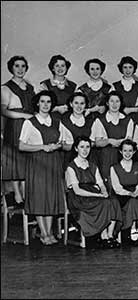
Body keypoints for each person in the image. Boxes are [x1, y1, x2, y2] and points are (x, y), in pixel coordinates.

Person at [19, 90, 73, 245]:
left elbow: (69, 144)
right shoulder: (30, 122)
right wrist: (42, 147)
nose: (45, 105)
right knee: (39, 197)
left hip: (54, 162)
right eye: (42, 101)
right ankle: (43, 233)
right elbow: (22, 146)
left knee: (50, 197)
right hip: (37, 163)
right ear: (37, 103)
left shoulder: (57, 122)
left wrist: (59, 145)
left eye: (48, 102)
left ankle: (49, 232)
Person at [65, 136, 122, 249]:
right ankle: (103, 236)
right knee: (103, 203)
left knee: (113, 201)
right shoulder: (71, 167)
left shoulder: (93, 166)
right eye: (82, 147)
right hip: (79, 198)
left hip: (94, 195)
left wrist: (104, 192)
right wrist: (99, 195)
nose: (85, 150)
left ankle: (110, 235)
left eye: (87, 147)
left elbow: (100, 184)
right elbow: (77, 190)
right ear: (76, 149)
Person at [1, 56, 35, 208]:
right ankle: (17, 195)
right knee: (15, 159)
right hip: (15, 126)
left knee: (26, 161)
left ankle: (26, 195)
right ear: (11, 68)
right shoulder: (5, 88)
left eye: (23, 66)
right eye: (17, 66)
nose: (20, 69)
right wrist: (22, 115)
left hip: (29, 126)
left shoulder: (29, 87)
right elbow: (3, 110)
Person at [110, 139, 138, 246]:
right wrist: (129, 193)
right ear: (120, 152)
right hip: (122, 196)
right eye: (125, 151)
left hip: (136, 193)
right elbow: (117, 188)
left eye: (130, 151)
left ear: (134, 152)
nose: (127, 153)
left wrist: (137, 191)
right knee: (135, 200)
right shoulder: (114, 168)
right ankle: (133, 230)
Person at [90, 91, 135, 180]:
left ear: (121, 103)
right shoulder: (100, 120)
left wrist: (122, 143)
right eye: (112, 101)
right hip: (106, 156)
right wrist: (109, 141)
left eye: (117, 101)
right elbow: (97, 142)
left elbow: (130, 141)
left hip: (123, 156)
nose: (114, 104)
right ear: (107, 103)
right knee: (108, 180)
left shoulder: (128, 120)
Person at [61, 92, 96, 169]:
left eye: (82, 103)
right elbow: (63, 145)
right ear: (71, 104)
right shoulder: (64, 121)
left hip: (88, 162)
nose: (79, 106)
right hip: (69, 161)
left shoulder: (91, 122)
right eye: (76, 103)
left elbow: (93, 143)